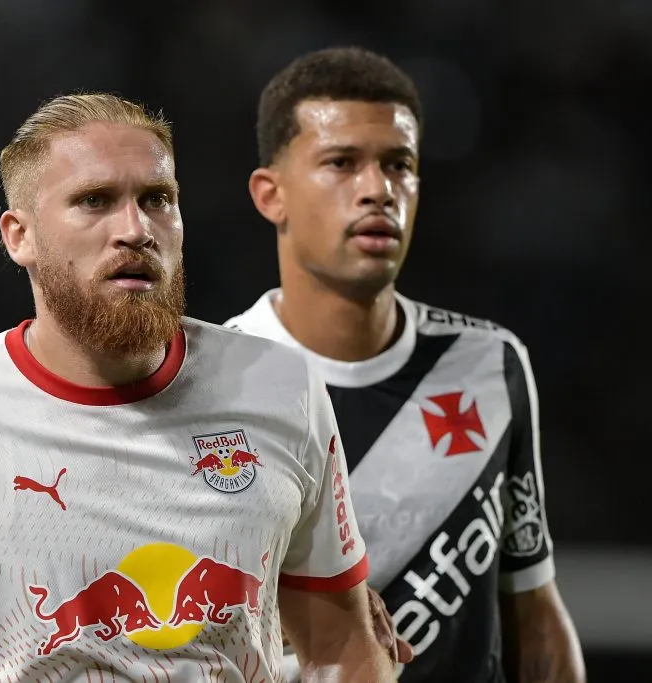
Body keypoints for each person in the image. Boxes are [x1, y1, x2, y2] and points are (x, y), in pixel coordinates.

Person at [0, 93, 398, 683]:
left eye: (157, 198)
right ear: (21, 237)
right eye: (95, 201)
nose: (135, 229)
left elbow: (341, 642)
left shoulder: (281, 388)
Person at [224, 47, 587, 683]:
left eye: (400, 165)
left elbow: (533, 604)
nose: (378, 190)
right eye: (341, 163)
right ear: (270, 194)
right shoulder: (216, 380)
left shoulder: (488, 365)